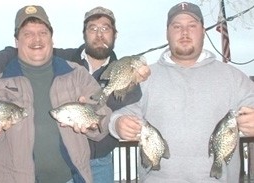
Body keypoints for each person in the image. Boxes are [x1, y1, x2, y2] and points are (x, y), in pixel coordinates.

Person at [0, 6, 150, 183]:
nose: (36, 39)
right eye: (27, 34)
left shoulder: (76, 73)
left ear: (51, 38)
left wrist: (93, 124)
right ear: (17, 41)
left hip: (79, 173)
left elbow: (103, 120)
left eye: (43, 32)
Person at [109, 2, 254, 183]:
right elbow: (119, 114)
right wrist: (118, 124)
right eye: (177, 26)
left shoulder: (234, 77)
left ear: (203, 31)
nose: (184, 32)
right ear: (167, 33)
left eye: (192, 26)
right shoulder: (145, 77)